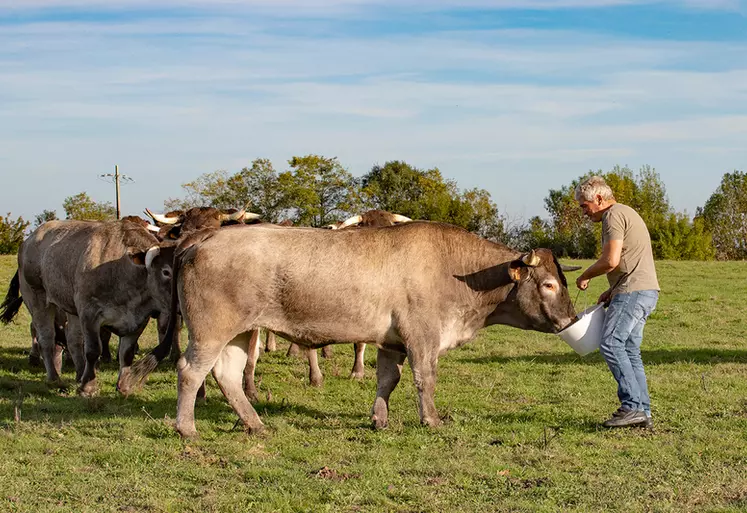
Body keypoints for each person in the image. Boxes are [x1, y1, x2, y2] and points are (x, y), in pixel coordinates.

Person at [574, 176, 660, 429]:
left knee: (611, 343)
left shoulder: (613, 216)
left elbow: (610, 260)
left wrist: (585, 275)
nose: (584, 212)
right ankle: (643, 411)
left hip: (633, 292)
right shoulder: (626, 212)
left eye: (584, 205)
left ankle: (632, 406)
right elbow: (629, 259)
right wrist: (612, 290)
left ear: (598, 199)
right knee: (630, 351)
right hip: (643, 290)